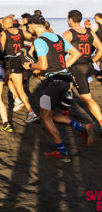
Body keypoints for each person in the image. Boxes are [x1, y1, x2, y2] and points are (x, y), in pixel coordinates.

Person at [23, 15, 94, 162]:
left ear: (34, 25)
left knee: (45, 118)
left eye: (28, 26)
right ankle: (82, 127)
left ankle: (62, 152)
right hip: (65, 81)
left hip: (53, 84)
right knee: (51, 114)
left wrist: (30, 66)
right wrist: (64, 67)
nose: (28, 29)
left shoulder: (39, 40)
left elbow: (42, 65)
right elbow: (76, 53)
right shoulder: (58, 37)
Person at [62, 10, 102, 133]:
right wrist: (93, 60)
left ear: (70, 19)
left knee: (86, 98)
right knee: (66, 86)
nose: (67, 21)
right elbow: (100, 48)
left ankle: (101, 122)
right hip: (88, 66)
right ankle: (65, 113)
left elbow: (61, 52)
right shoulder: (90, 33)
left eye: (68, 19)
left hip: (77, 68)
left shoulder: (68, 34)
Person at [0, 16, 38, 123]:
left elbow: (2, 50)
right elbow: (35, 38)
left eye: (2, 24)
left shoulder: (4, 33)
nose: (2, 25)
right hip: (21, 60)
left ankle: (31, 112)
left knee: (20, 88)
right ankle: (16, 99)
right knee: (6, 78)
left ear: (4, 23)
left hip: (14, 62)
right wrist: (31, 51)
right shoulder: (21, 31)